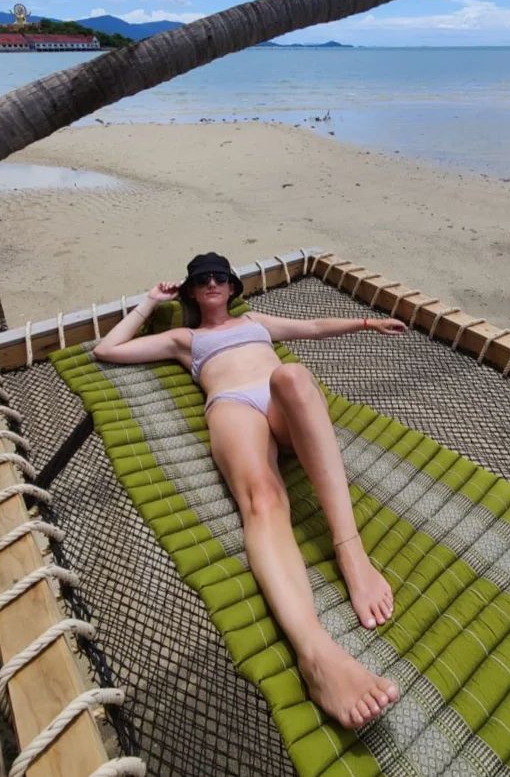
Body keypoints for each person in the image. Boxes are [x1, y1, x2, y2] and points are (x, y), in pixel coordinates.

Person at [93, 252, 405, 729]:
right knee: (263, 500)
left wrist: (365, 322)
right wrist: (150, 301)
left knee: (292, 375)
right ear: (192, 291)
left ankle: (350, 553)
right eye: (202, 279)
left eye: (219, 276)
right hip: (233, 406)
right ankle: (317, 656)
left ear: (232, 286)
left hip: (282, 403)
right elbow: (106, 350)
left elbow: (314, 327)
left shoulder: (256, 321)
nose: (212, 282)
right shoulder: (186, 339)